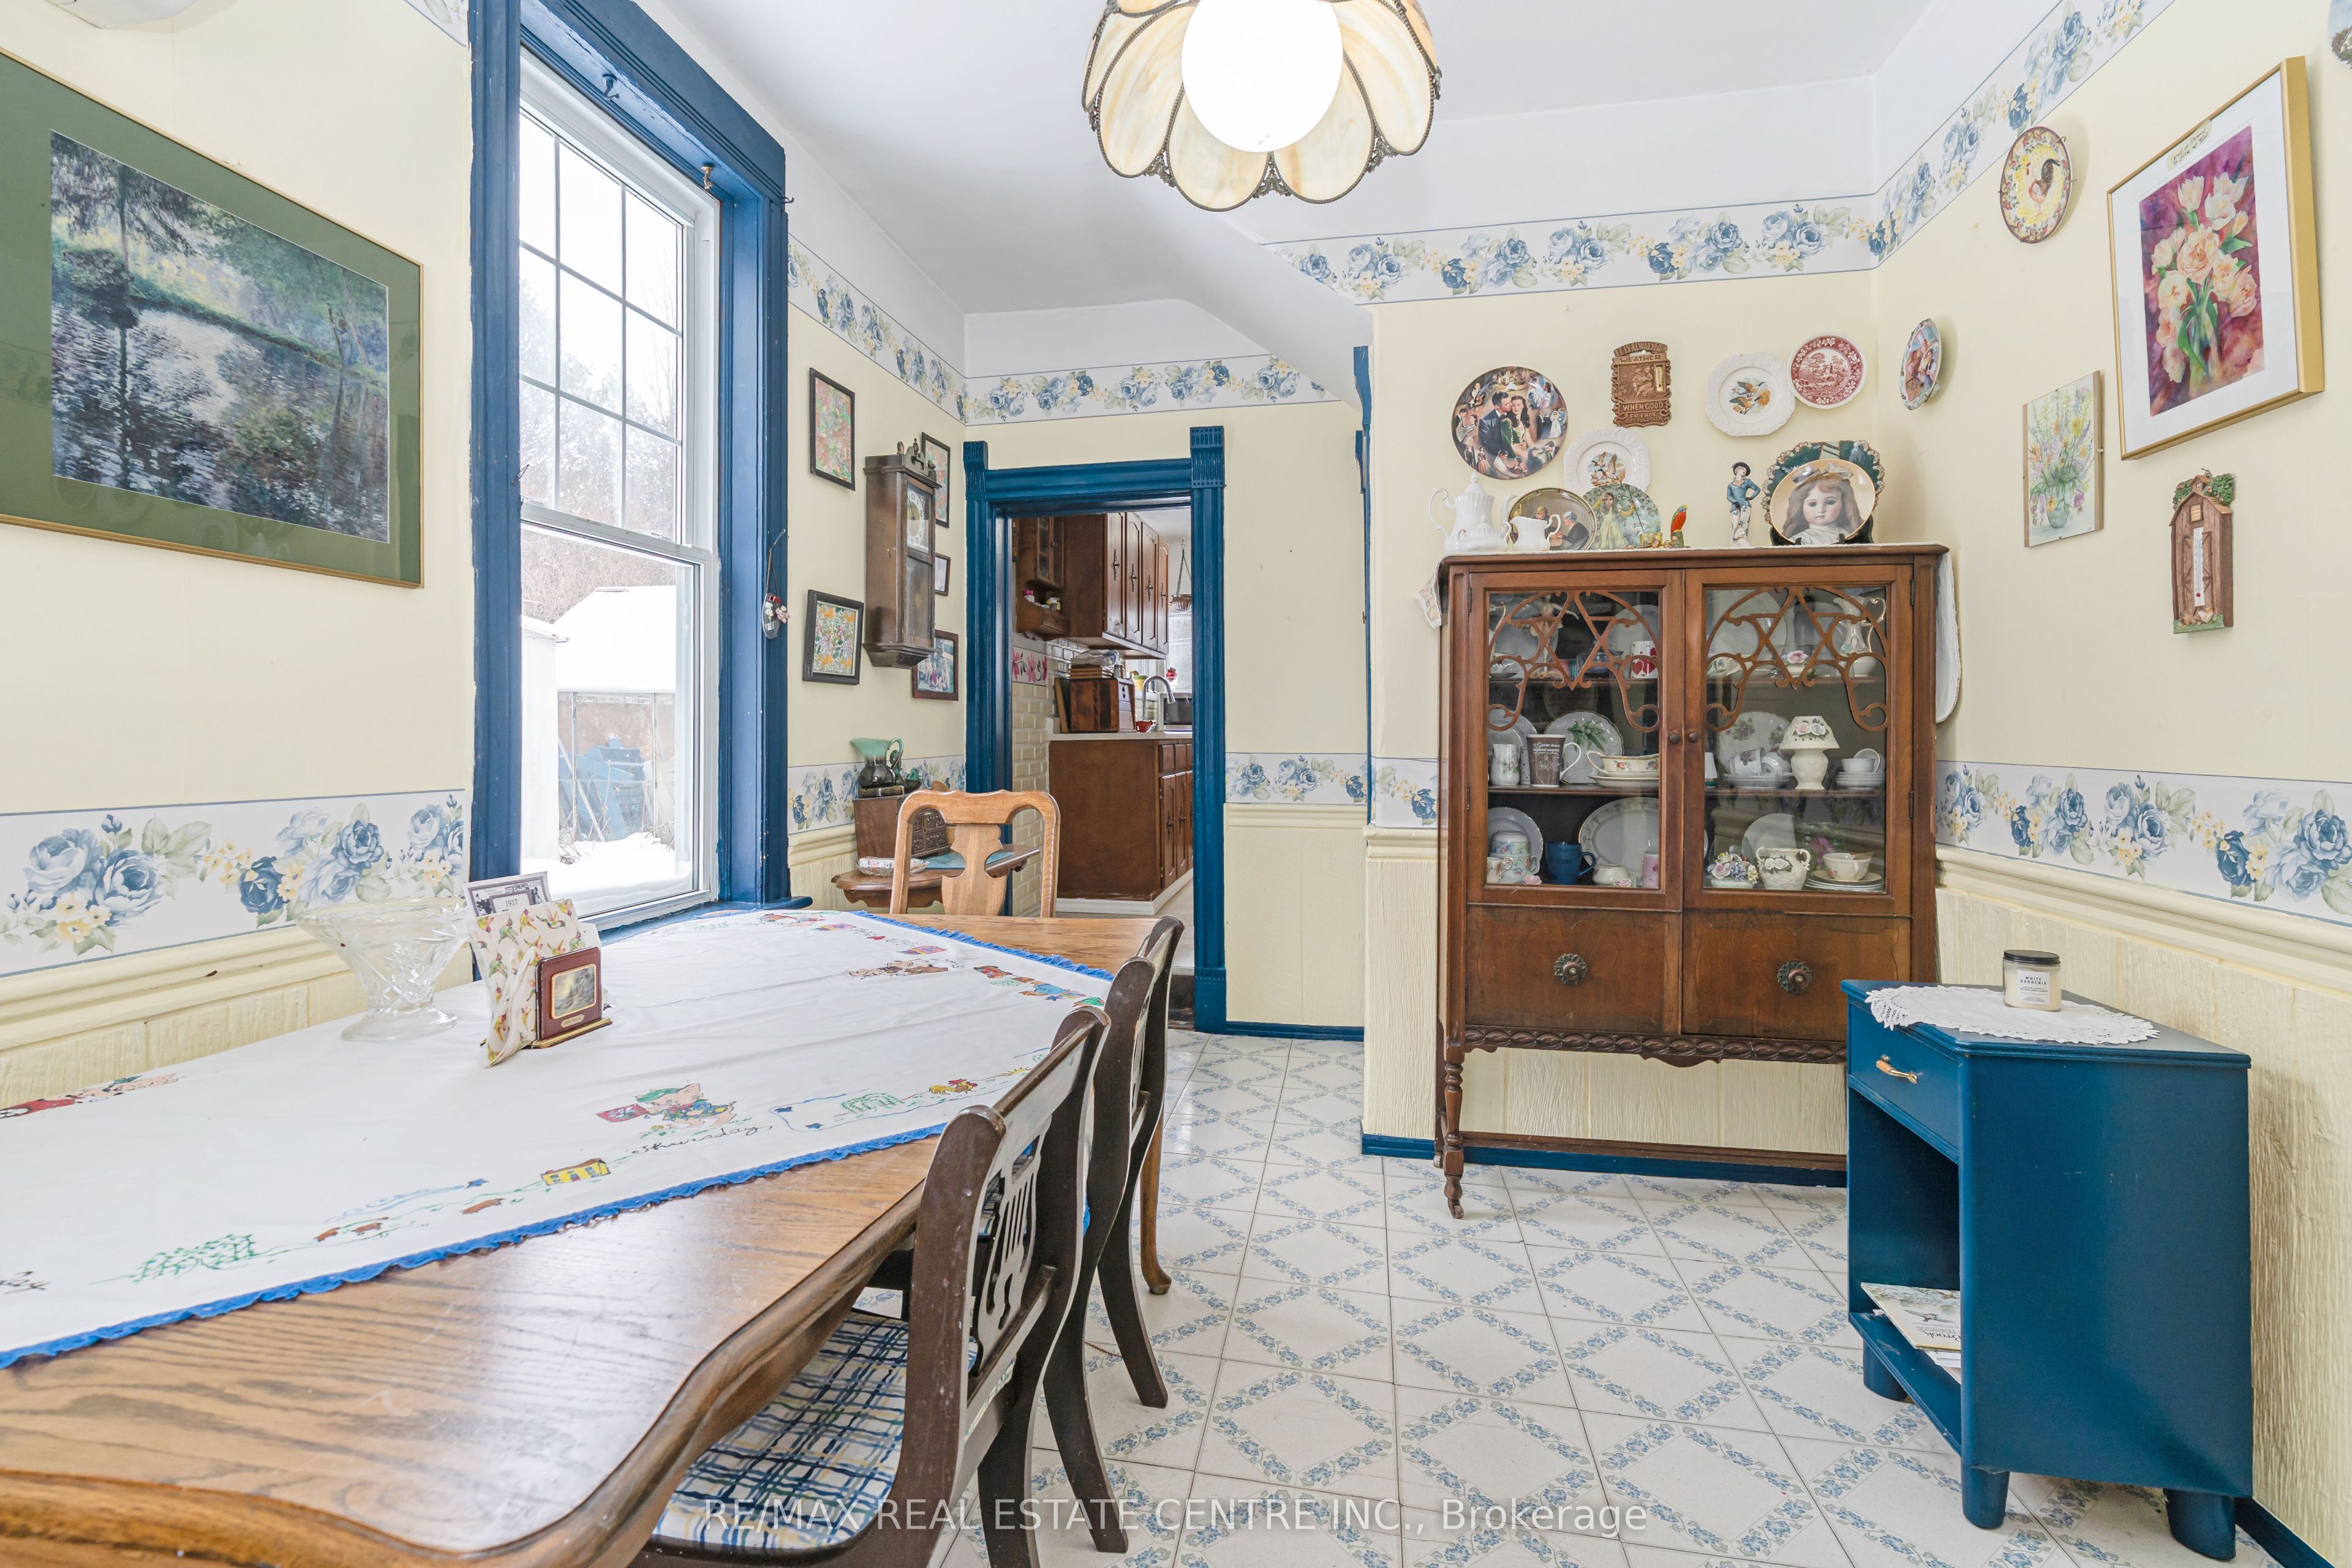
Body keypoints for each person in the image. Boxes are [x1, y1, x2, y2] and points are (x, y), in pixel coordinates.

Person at [1784, 470, 1864, 545]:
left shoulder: (1851, 533)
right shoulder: (1802, 539)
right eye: (1812, 504)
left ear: (1843, 504)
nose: (1821, 510)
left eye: (1830, 502)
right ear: (1801, 507)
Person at [1727, 461, 1760, 545]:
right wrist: (1735, 502)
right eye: (1743, 469)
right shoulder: (1731, 485)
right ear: (1737, 470)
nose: (1744, 471)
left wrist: (1752, 497)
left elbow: (1757, 489)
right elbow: (1729, 496)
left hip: (1745, 505)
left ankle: (1743, 544)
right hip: (1735, 507)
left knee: (1744, 525)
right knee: (1735, 525)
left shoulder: (1747, 482)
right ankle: (1734, 544)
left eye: (1745, 471)